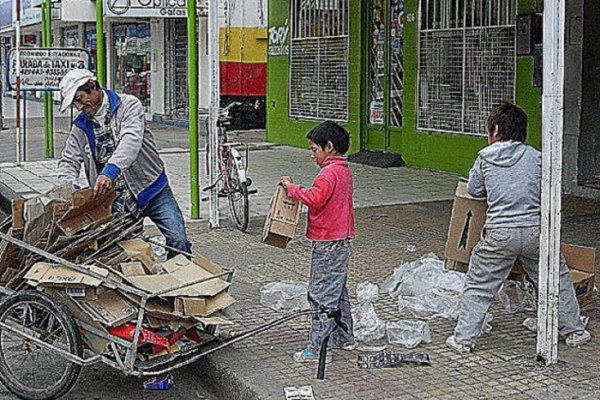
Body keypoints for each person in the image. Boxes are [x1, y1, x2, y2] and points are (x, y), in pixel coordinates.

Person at [446, 103, 591, 354]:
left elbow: (474, 190)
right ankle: (574, 331)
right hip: (535, 232)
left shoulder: (484, 158)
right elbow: (549, 190)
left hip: (499, 234)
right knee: (555, 280)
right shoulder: (536, 157)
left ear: (496, 130)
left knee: (479, 286)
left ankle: (463, 339)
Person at [57, 68, 191, 259]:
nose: (79, 107)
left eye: (79, 99)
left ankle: (183, 280)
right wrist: (69, 189)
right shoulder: (81, 126)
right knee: (129, 254)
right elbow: (69, 160)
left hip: (152, 189)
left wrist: (109, 172)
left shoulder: (129, 105)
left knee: (179, 240)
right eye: (75, 103)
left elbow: (131, 141)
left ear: (93, 87)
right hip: (118, 201)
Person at [280, 121, 356, 363]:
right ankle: (345, 337)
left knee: (321, 293)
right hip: (341, 239)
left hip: (328, 241)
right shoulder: (344, 170)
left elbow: (314, 198)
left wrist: (292, 189)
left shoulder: (328, 173)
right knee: (337, 290)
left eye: (314, 149)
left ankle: (319, 348)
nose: (312, 155)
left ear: (329, 147)